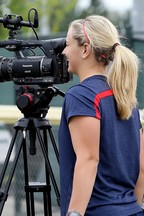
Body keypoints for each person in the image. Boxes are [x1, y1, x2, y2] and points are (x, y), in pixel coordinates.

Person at [59, 15, 144, 216]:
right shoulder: (125, 98)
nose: (63, 51)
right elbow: (142, 166)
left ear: (85, 49)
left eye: (68, 44)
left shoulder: (81, 96)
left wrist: (74, 214)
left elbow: (88, 159)